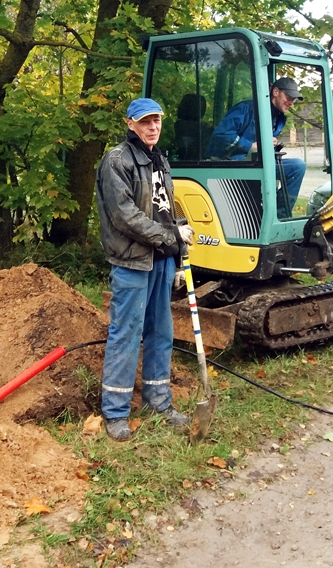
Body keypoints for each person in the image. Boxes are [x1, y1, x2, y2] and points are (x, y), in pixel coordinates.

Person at [95, 97, 196, 442]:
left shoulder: (160, 160)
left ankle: (158, 401)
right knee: (126, 334)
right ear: (130, 124)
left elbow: (164, 212)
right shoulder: (117, 161)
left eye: (157, 121)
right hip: (132, 261)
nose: (152, 127)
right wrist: (170, 235)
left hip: (162, 261)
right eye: (145, 121)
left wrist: (178, 253)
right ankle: (116, 413)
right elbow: (124, 216)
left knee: (161, 333)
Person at [204, 77, 307, 216]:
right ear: (275, 92)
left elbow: (260, 144)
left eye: (293, 99)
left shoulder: (279, 117)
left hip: (256, 163)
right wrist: (250, 145)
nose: (290, 102)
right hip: (231, 163)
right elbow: (221, 134)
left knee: (297, 166)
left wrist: (270, 144)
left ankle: (278, 215)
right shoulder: (246, 108)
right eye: (288, 97)